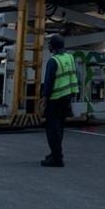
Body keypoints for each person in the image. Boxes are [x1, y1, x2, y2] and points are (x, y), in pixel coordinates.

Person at [40, 34, 79, 167]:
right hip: (67, 97)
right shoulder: (70, 58)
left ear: (52, 47)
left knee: (52, 129)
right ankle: (56, 153)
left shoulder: (53, 61)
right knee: (59, 128)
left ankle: (56, 158)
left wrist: (45, 99)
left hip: (55, 99)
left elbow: (49, 82)